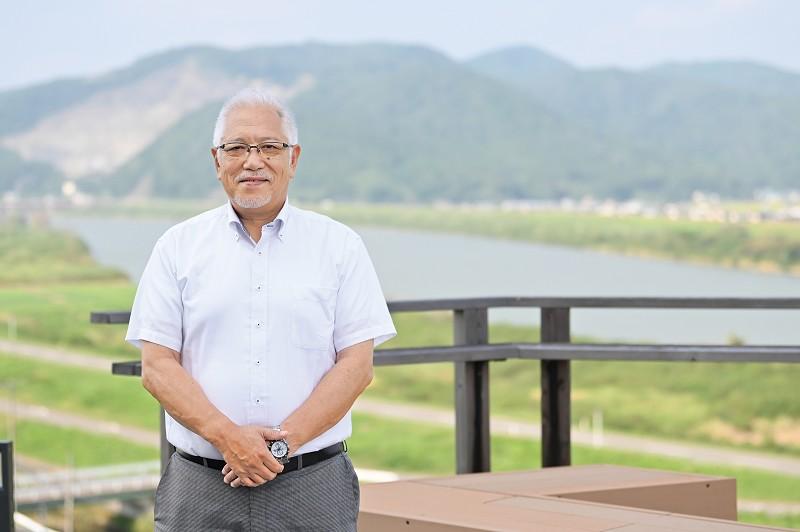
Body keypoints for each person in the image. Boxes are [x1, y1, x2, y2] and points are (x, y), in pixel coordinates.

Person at [126, 87, 396, 531]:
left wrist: (277, 448)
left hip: (312, 485)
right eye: (236, 148)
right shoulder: (176, 247)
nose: (253, 161)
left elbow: (356, 365)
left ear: (294, 158)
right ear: (217, 161)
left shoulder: (340, 246)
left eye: (269, 147)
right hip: (200, 485)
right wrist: (228, 438)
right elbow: (157, 367)